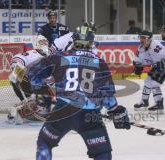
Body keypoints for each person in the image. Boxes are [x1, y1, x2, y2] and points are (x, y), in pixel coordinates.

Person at [25, 23, 131, 160]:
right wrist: (116, 110)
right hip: (90, 115)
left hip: (63, 111)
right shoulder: (99, 62)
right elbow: (107, 96)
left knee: (45, 142)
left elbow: (32, 75)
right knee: (102, 153)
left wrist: (46, 84)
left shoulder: (59, 58)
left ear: (74, 41)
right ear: (91, 43)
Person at [7, 35, 54, 124]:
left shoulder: (52, 56)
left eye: (45, 42)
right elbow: (18, 58)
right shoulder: (33, 53)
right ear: (36, 44)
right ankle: (23, 104)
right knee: (15, 76)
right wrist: (16, 67)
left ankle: (38, 105)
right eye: (41, 42)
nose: (44, 43)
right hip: (36, 87)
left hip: (48, 86)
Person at [133, 30, 165, 114]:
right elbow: (138, 60)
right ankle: (145, 101)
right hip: (157, 65)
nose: (141, 40)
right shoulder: (141, 47)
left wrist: (150, 65)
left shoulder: (156, 45)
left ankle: (159, 103)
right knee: (147, 80)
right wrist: (138, 66)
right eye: (140, 38)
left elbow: (163, 60)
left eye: (143, 38)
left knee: (154, 83)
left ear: (149, 39)